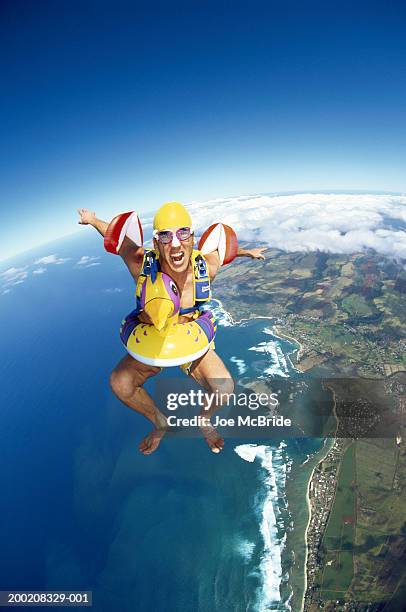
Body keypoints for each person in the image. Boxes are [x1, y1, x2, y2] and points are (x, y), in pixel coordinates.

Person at [77, 202, 266, 455]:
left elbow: (222, 252)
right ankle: (160, 423)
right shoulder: (141, 263)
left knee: (224, 389)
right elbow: (117, 237)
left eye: (183, 233)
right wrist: (93, 219)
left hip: (191, 339)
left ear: (192, 239)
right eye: (165, 236)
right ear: (155, 244)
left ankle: (204, 419)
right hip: (151, 337)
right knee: (120, 383)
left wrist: (246, 252)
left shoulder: (204, 269)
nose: (175, 243)